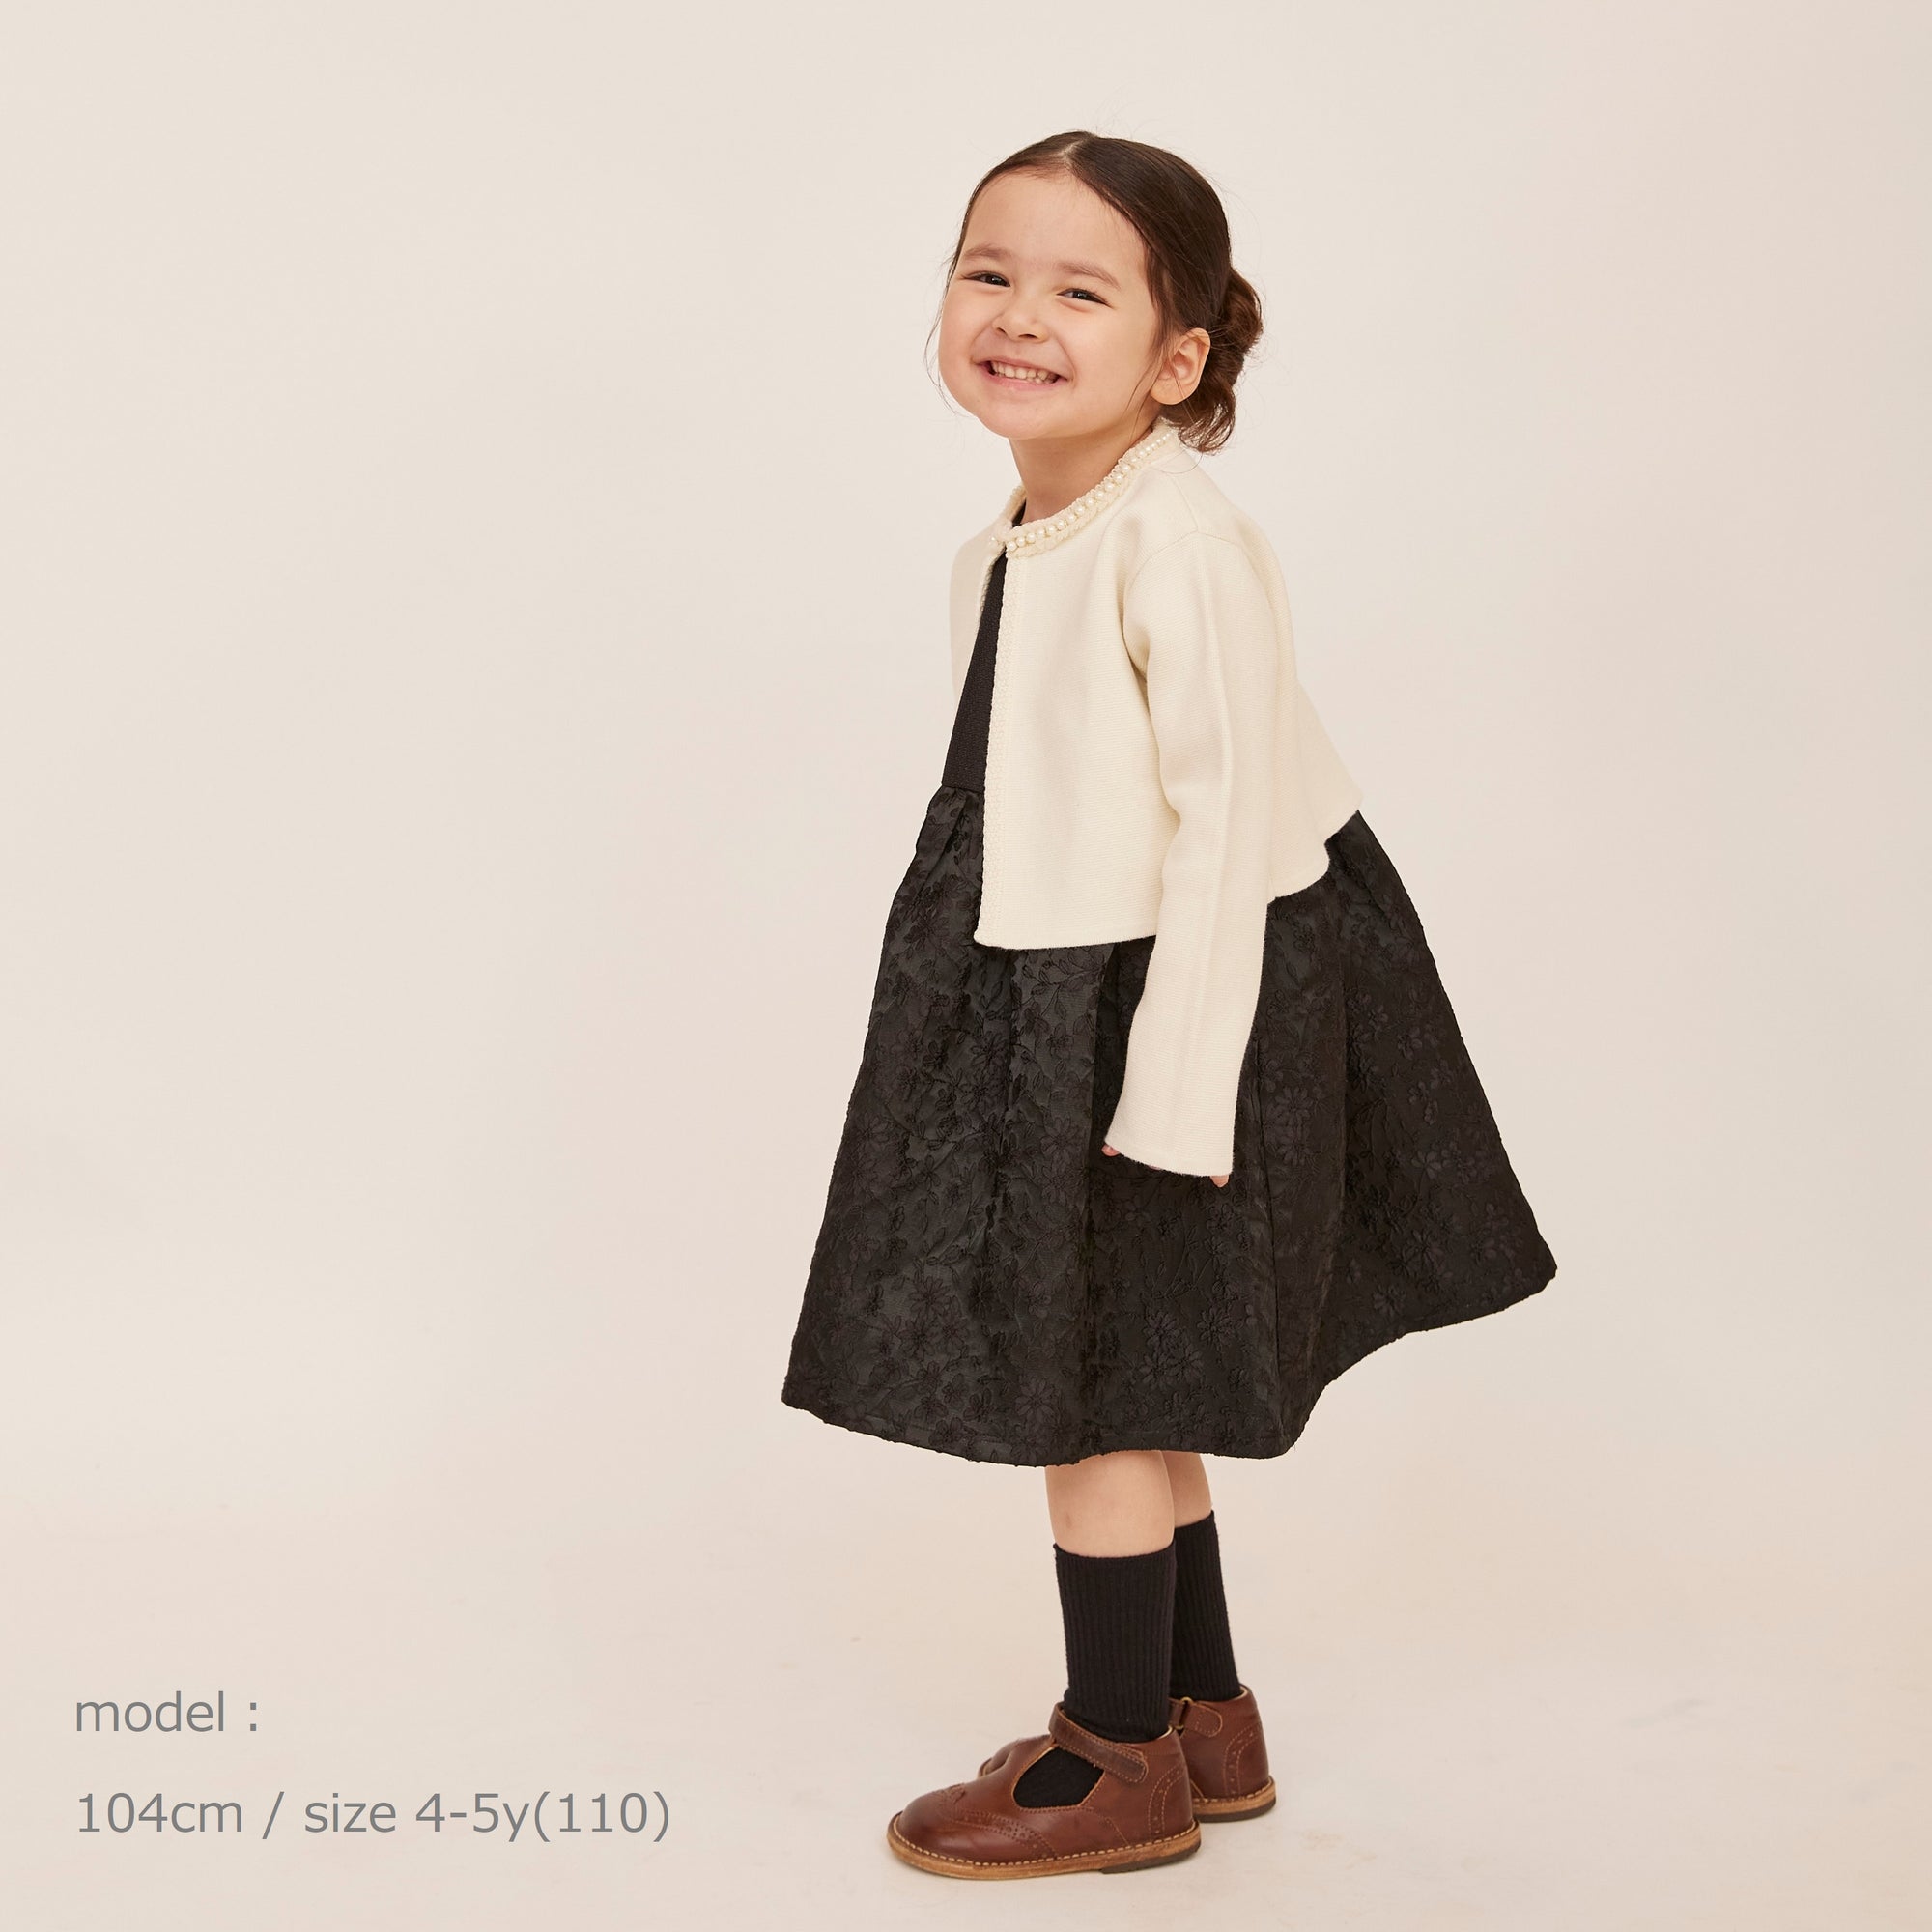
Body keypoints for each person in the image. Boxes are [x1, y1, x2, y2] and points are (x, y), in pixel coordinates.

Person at [780, 129, 1558, 1881]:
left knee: (1094, 1393)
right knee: (1143, 1369)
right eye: (989, 273)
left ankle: (1113, 1756)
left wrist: (1177, 1095)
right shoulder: (1028, 533)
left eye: (1081, 291)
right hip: (1071, 987)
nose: (1019, 316)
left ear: (1178, 358)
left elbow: (1231, 844)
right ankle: (1206, 1718)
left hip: (1166, 1008)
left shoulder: (1177, 546)